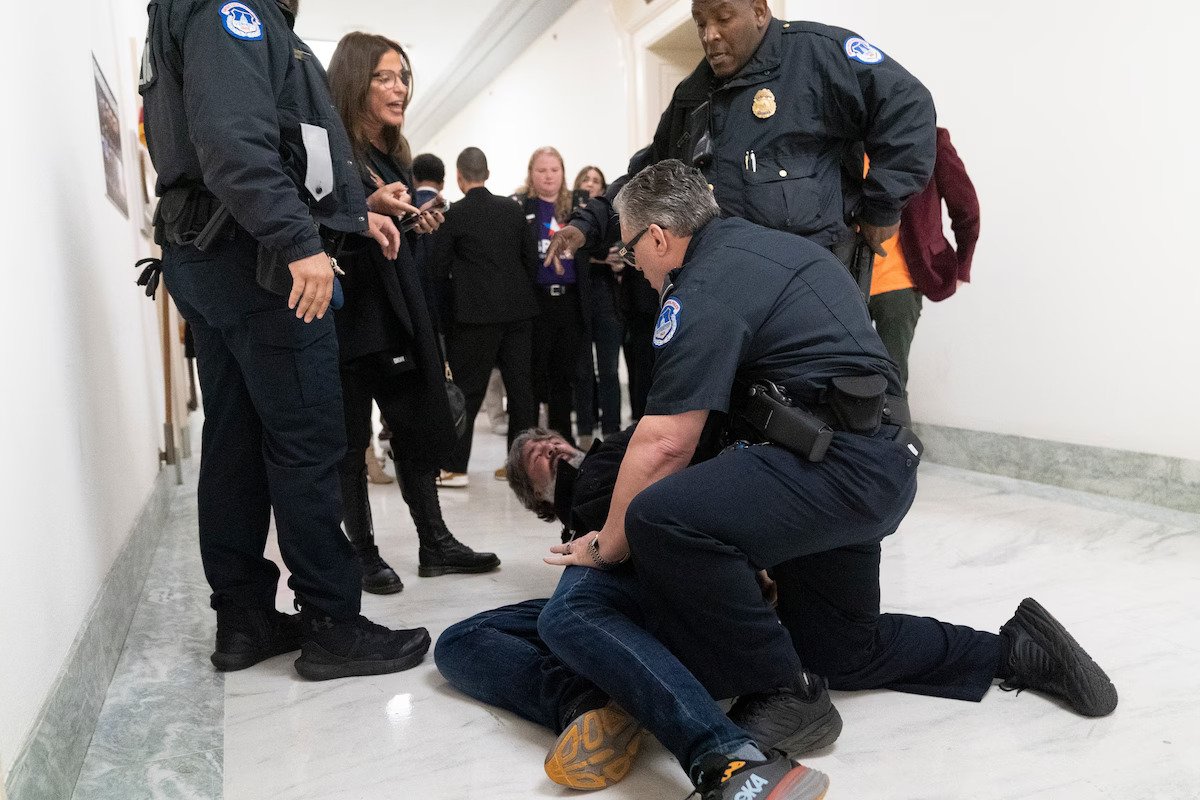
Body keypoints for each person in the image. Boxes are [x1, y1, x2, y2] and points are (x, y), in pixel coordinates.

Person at [540, 160, 1118, 794]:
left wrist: (606, 544)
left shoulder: (701, 283)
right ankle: (1013, 651)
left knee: (660, 518)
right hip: (876, 464)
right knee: (840, 648)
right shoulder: (777, 249)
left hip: (828, 466)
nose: (635, 268)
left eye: (630, 251)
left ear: (656, 237)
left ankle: (785, 691)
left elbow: (665, 442)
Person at [140, 0, 428, 679]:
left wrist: (354, 212)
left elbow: (286, 144)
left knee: (235, 441)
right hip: (256, 260)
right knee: (308, 440)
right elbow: (234, 141)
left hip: (215, 251)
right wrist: (300, 240)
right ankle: (333, 623)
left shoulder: (214, 14)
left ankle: (243, 621)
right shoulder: (232, 10)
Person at [545, 0, 937, 278]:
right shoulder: (692, 94)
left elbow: (908, 106)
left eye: (723, 18)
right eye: (700, 23)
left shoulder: (816, 55)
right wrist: (587, 224)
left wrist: (882, 208)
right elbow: (648, 179)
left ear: (760, 11)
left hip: (810, 284)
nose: (710, 35)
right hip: (723, 286)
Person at [327, 32, 500, 593]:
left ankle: (435, 543)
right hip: (351, 318)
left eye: (402, 76)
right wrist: (365, 209)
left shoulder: (392, 154)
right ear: (355, 82)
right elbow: (317, 221)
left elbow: (389, 237)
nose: (398, 87)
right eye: (383, 77)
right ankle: (362, 554)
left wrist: (415, 224)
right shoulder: (329, 149)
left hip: (397, 312)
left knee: (416, 428)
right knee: (351, 444)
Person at [430, 147, 540, 486]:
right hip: (519, 312)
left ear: (459, 177)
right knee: (521, 391)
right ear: (487, 174)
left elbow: (438, 270)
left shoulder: (454, 214)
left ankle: (455, 468)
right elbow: (530, 260)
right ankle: (520, 469)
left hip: (474, 317)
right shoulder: (512, 209)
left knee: (468, 391)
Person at [868, 127, 981, 391]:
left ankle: (895, 418)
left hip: (900, 283)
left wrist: (963, 266)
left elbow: (966, 207)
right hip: (847, 281)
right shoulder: (846, 138)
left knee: (891, 383)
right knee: (844, 379)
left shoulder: (929, 139)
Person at [514, 147, 591, 444]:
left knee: (564, 377)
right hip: (536, 303)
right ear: (531, 174)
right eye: (542, 170)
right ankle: (529, 445)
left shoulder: (578, 207)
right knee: (533, 377)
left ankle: (562, 443)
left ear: (563, 173)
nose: (548, 176)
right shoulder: (521, 207)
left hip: (570, 302)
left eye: (554, 170)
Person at [571, 166, 624, 447]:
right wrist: (600, 256)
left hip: (606, 297)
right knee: (582, 371)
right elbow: (572, 252)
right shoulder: (570, 217)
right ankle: (584, 430)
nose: (590, 184)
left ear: (603, 190)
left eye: (596, 181)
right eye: (586, 179)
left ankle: (612, 430)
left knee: (609, 371)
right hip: (578, 299)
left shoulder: (612, 219)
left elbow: (619, 252)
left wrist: (608, 259)